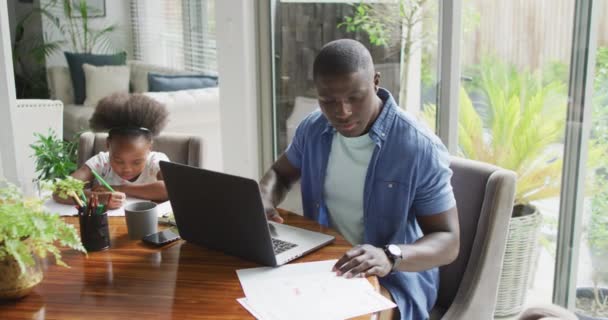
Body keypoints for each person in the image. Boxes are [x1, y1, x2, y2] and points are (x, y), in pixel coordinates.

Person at [258, 39, 460, 320]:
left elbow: (448, 241)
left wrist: (390, 256)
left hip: (396, 280)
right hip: (325, 265)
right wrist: (264, 201)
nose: (343, 112)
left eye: (355, 97)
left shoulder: (418, 147)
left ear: (376, 82)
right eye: (329, 100)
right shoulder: (313, 130)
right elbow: (280, 174)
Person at [53, 93, 170, 209]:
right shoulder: (101, 162)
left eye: (136, 162)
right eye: (118, 161)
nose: (127, 169)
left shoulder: (156, 161)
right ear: (108, 145)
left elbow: (170, 189)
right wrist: (98, 198)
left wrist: (118, 188)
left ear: (149, 148)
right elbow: (59, 191)